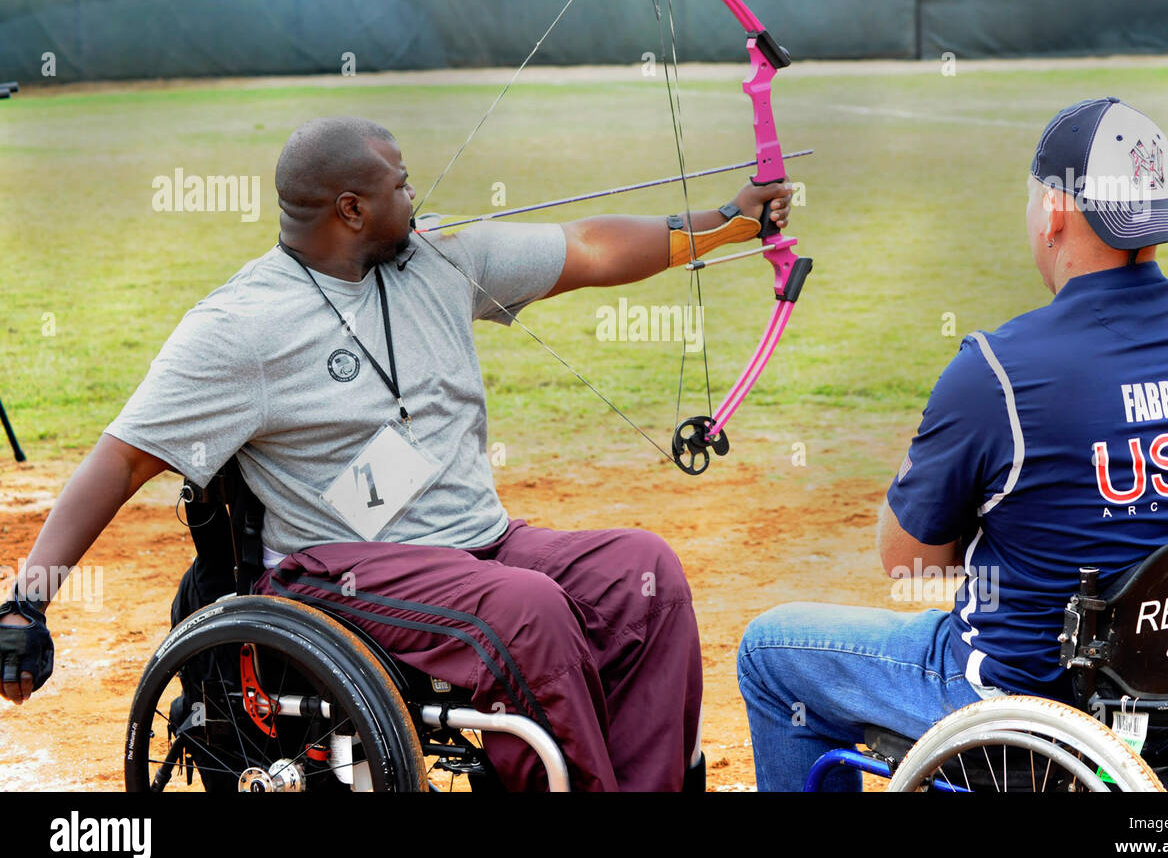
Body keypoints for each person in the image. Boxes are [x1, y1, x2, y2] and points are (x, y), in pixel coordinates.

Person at [0, 116, 793, 793]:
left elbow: (587, 248)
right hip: (335, 571)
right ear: (350, 208)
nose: (418, 197)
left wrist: (730, 221)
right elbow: (123, 459)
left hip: (480, 544)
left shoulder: (439, 263)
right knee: (526, 611)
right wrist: (26, 602)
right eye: (402, 185)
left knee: (641, 574)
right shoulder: (242, 325)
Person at [737, 97, 1168, 791]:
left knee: (770, 652)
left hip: (1027, 712)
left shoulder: (998, 370)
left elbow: (904, 558)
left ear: (1056, 212)